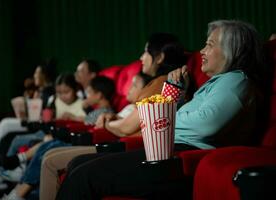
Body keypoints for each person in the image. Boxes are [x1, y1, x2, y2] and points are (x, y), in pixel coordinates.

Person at [55, 20, 264, 200]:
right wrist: (178, 96)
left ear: (232, 50)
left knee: (83, 177)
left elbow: (205, 125)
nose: (202, 51)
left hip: (183, 161)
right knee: (77, 164)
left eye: (209, 45)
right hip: (168, 151)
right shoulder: (213, 84)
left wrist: (168, 115)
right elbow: (176, 118)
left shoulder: (235, 81)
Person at [0, 76, 116, 200]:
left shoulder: (105, 112)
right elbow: (87, 122)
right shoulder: (98, 110)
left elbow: (89, 126)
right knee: (47, 145)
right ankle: (19, 185)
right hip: (81, 139)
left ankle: (19, 191)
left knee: (49, 149)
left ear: (99, 95)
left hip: (85, 143)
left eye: (90, 92)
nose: (87, 96)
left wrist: (78, 116)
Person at [39, 71, 151, 200]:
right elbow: (114, 121)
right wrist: (110, 120)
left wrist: (108, 122)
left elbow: (124, 128)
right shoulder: (128, 108)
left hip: (109, 144)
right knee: (49, 153)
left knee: (51, 161)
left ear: (146, 91)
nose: (129, 89)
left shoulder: (139, 108)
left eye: (134, 86)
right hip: (105, 140)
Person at [0, 59, 57, 161]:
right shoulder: (38, 91)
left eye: (37, 73)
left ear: (44, 75)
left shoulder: (49, 92)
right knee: (1, 126)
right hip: (29, 121)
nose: (34, 75)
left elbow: (44, 113)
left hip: (36, 125)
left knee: (4, 124)